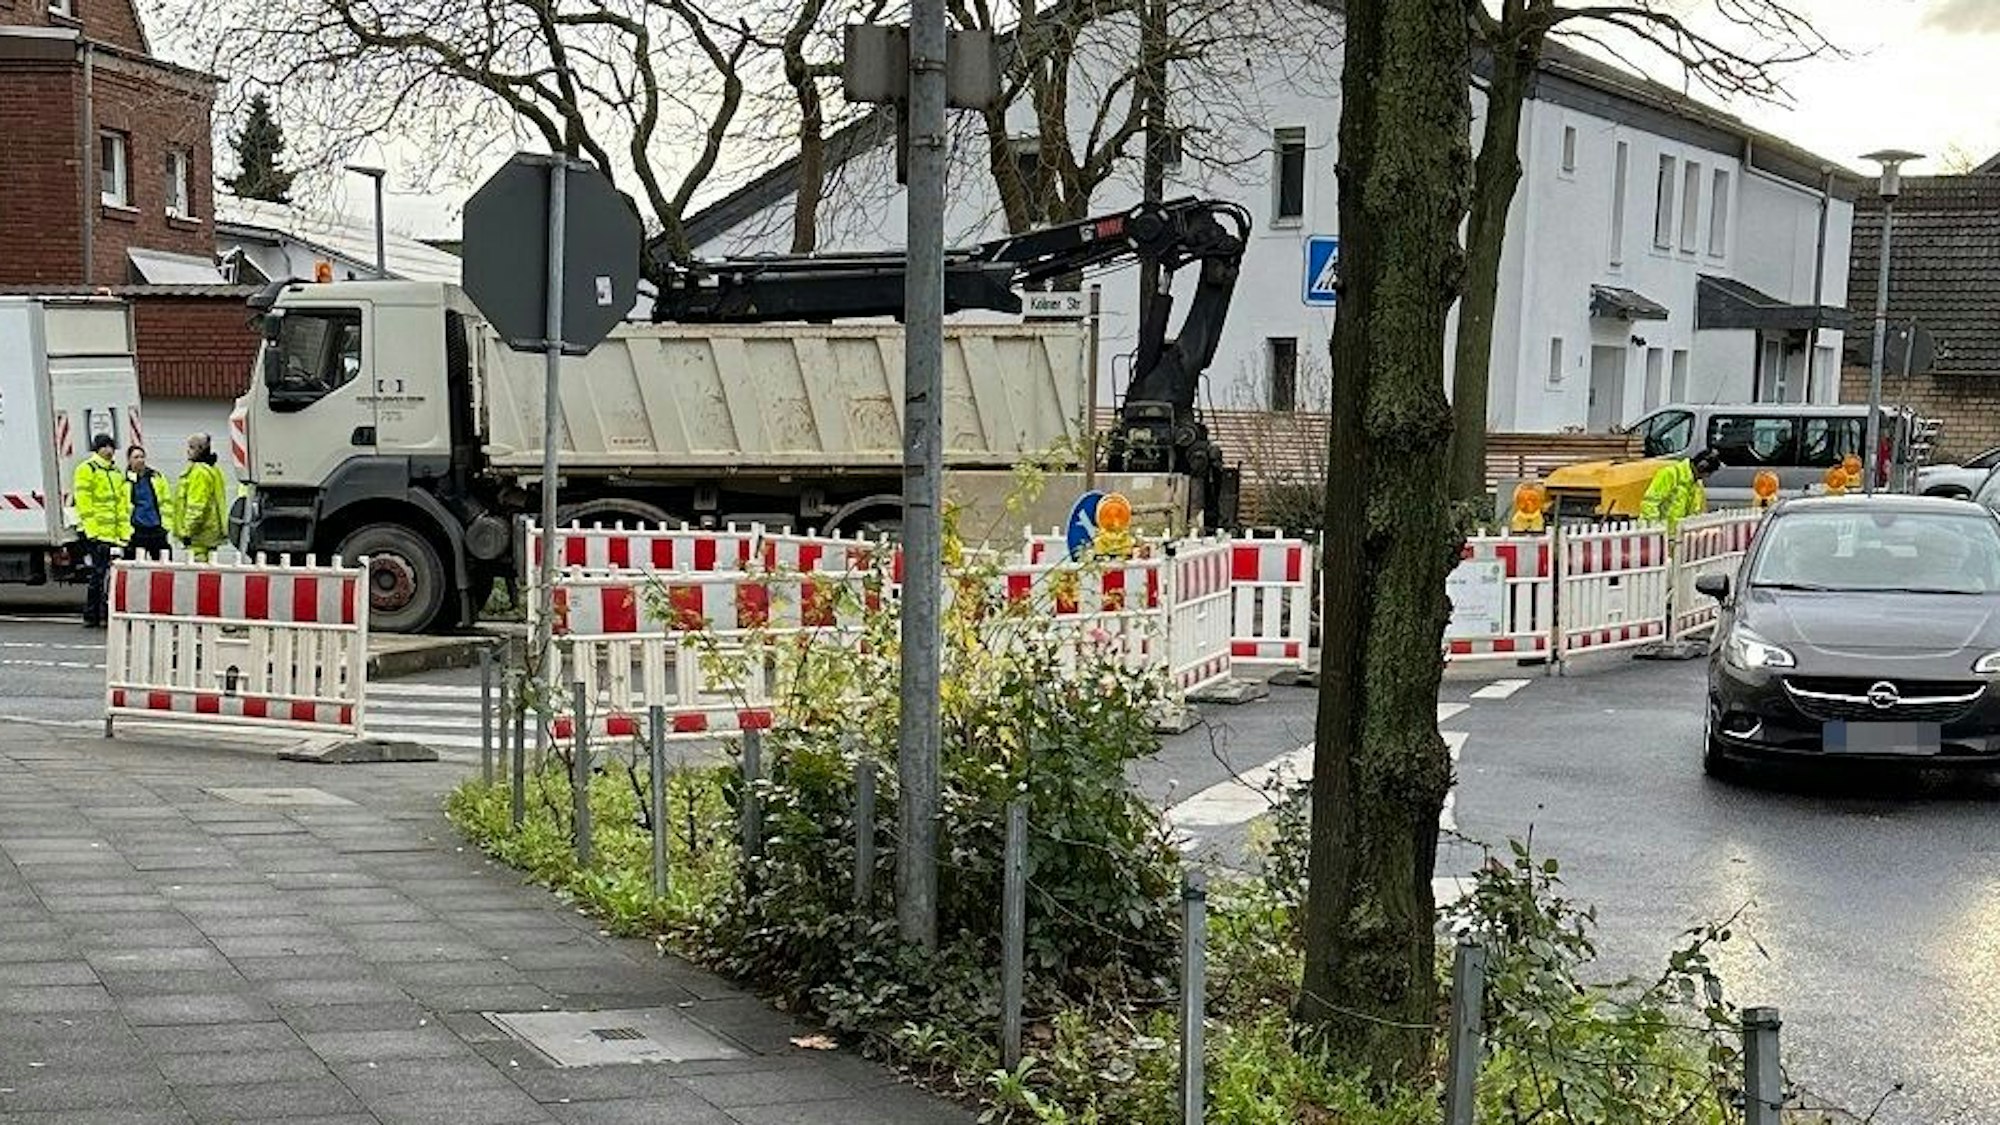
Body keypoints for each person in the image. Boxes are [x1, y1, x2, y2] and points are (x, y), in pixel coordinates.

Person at [72, 432, 131, 627]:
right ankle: (91, 615)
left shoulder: (115, 472)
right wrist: (92, 532)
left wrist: (124, 533)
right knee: (98, 575)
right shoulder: (87, 469)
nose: (109, 450)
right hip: (97, 534)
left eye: (111, 446)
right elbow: (84, 503)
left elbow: (122, 505)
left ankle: (105, 614)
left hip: (114, 535)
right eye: (104, 446)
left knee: (109, 576)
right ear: (97, 449)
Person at [173, 433, 229, 562]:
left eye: (191, 447)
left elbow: (196, 507)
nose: (188, 451)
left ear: (200, 448)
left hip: (198, 536)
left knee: (197, 572)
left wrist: (187, 531)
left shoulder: (199, 473)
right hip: (209, 533)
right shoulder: (213, 469)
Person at [1640, 448, 1723, 531]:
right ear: (1701, 467)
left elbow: (1697, 511)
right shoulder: (1670, 474)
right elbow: (1649, 503)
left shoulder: (1696, 483)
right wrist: (1656, 528)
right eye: (1707, 474)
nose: (1707, 477)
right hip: (1664, 533)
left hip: (1681, 534)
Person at [125, 445, 173, 560]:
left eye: (142, 457)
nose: (140, 460)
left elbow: (167, 501)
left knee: (163, 567)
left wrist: (166, 526)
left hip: (156, 529)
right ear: (129, 460)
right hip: (137, 530)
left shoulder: (156, 477)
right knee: (134, 567)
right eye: (136, 457)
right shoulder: (125, 481)